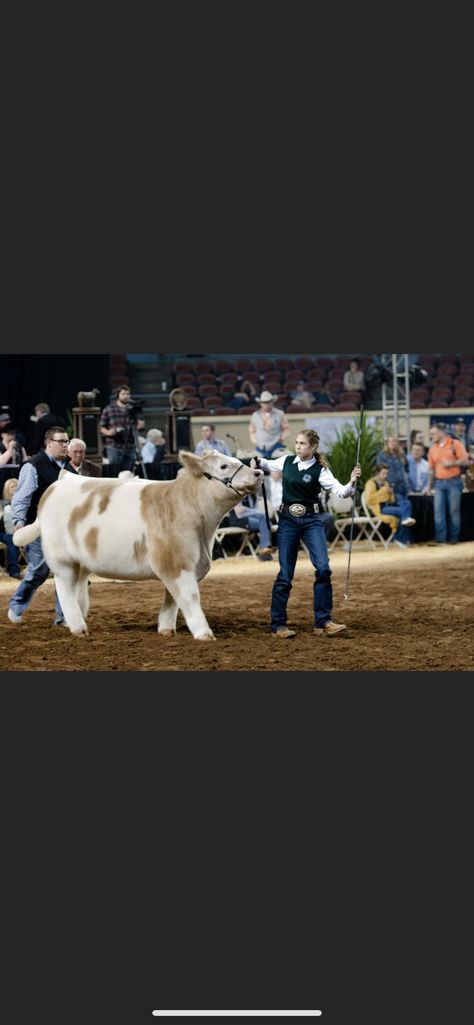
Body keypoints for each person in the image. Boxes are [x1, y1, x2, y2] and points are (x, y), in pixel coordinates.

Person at [256, 429, 361, 638]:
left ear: (312, 447)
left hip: (312, 521)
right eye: (297, 442)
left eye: (302, 443)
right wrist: (255, 461)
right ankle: (279, 625)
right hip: (287, 520)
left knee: (323, 568)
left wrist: (352, 482)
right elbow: (265, 463)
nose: (298, 446)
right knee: (285, 574)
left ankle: (323, 622)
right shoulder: (286, 461)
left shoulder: (320, 470)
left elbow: (342, 491)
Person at [7, 427, 77, 626]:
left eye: (66, 441)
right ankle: (17, 605)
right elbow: (21, 498)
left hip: (63, 530)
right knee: (39, 571)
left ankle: (63, 616)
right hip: (39, 528)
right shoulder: (33, 466)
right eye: (61, 441)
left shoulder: (69, 468)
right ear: (49, 443)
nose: (65, 445)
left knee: (66, 572)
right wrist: (19, 523)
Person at [428, 422, 468, 544]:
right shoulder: (432, 448)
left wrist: (452, 464)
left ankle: (453, 539)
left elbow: (465, 461)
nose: (431, 436)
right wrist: (429, 486)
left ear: (441, 433)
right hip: (439, 483)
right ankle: (441, 539)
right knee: (438, 512)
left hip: (454, 482)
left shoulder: (455, 444)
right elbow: (431, 469)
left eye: (433, 434)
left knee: (453, 512)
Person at [364, 463, 416, 547]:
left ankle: (400, 538)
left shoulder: (385, 483)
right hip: (379, 508)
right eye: (383, 473)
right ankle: (400, 538)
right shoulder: (371, 483)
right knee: (404, 513)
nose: (385, 476)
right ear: (377, 473)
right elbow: (369, 500)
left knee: (407, 506)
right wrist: (384, 491)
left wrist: (391, 494)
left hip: (388, 505)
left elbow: (391, 499)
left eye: (387, 473)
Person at [100, 386, 144, 476]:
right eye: (123, 394)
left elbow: (141, 424)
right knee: (114, 472)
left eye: (128, 394)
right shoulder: (109, 409)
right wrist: (109, 432)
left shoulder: (133, 409)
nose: (126, 396)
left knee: (128, 473)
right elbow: (101, 427)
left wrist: (139, 425)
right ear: (118, 395)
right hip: (114, 445)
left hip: (130, 445)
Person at [228, 492, 275, 561]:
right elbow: (239, 512)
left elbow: (253, 511)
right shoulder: (237, 494)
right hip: (238, 520)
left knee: (265, 520)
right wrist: (253, 511)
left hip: (249, 517)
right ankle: (264, 548)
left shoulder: (254, 496)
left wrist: (249, 510)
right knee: (266, 522)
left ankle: (264, 549)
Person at [249, 391, 291, 458]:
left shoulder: (279, 414)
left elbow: (286, 428)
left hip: (276, 445)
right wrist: (255, 441)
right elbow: (252, 430)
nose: (267, 404)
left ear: (272, 402)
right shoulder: (255, 415)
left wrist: (282, 438)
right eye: (264, 402)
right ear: (261, 403)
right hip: (260, 446)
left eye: (269, 402)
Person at [0, 478, 21, 578]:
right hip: (3, 532)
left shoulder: (23, 503)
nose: (15, 488)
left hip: (19, 531)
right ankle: (13, 571)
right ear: (7, 489)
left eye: (16, 486)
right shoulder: (3, 504)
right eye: (12, 486)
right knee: (12, 540)